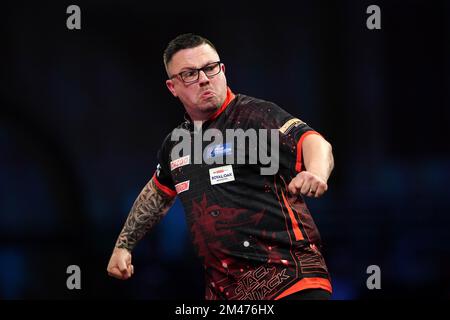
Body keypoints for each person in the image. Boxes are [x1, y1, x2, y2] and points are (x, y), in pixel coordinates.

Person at [107, 33, 335, 300]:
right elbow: (157, 194)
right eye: (189, 74)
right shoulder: (177, 144)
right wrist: (123, 246)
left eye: (210, 68)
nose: (204, 78)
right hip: (226, 294)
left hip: (290, 282)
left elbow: (315, 143)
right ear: (172, 87)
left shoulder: (255, 116)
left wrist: (317, 172)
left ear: (222, 70)